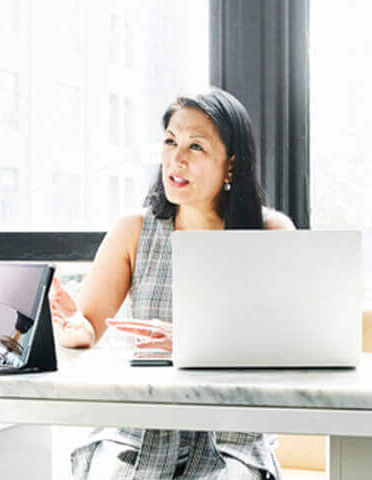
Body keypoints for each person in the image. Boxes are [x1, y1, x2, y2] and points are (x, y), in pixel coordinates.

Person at [50, 88, 294, 479]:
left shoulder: (270, 232)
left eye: (195, 147)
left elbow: (289, 345)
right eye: (170, 141)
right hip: (138, 429)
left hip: (230, 436)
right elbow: (87, 327)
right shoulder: (133, 230)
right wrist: (74, 328)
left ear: (231, 164)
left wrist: (196, 344)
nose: (176, 159)